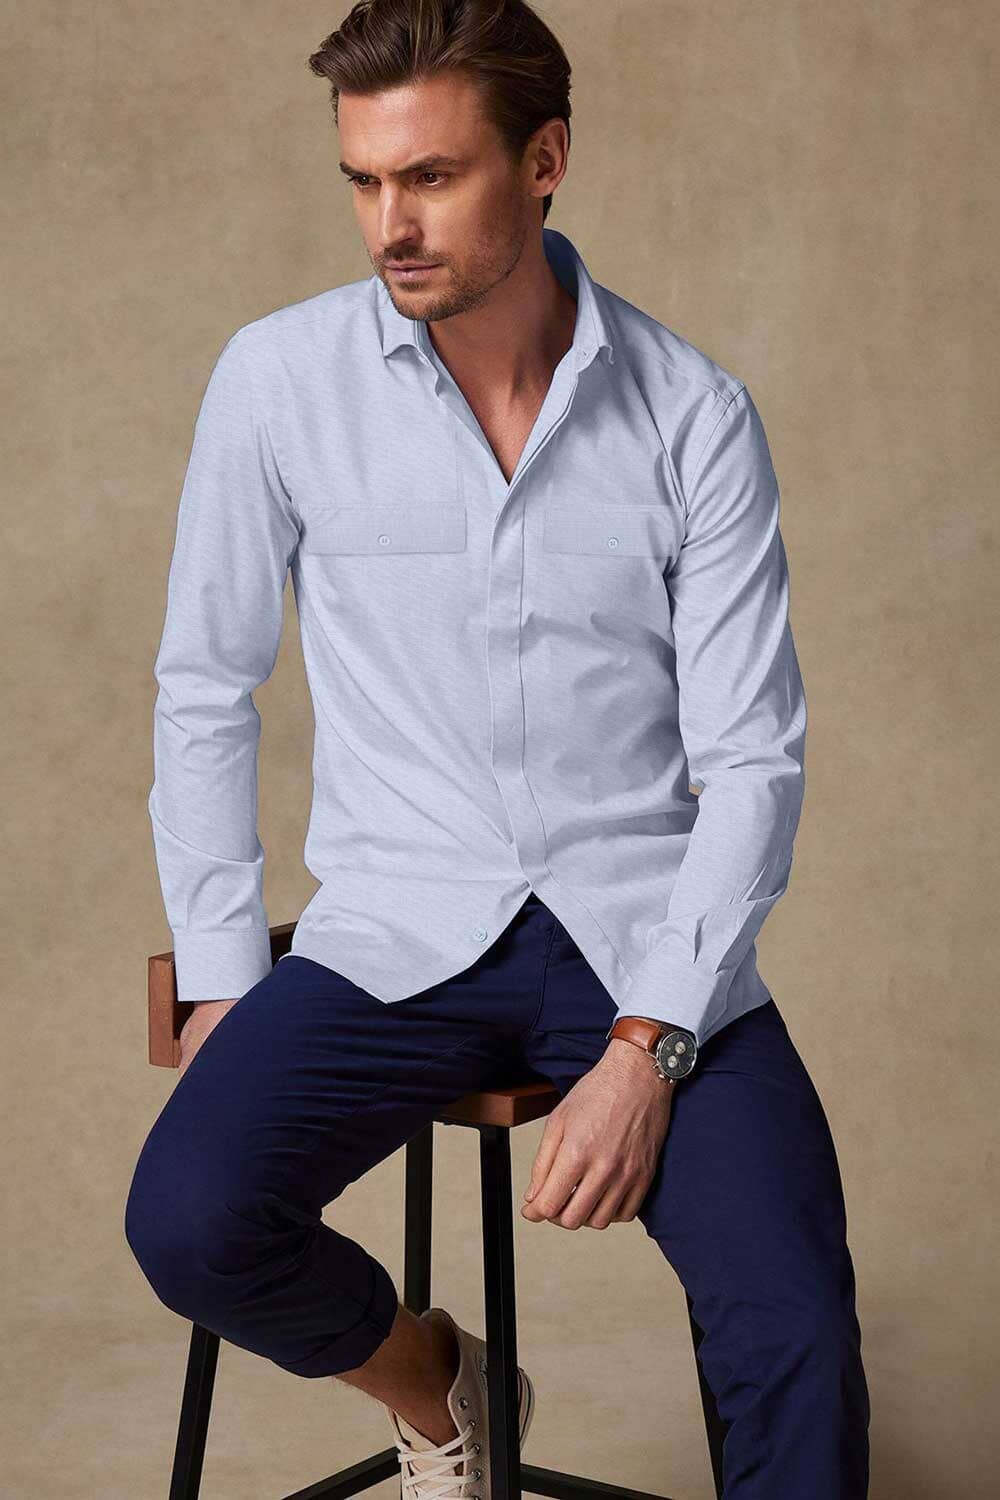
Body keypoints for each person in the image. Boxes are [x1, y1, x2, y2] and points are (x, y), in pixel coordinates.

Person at [124, 2, 871, 1494]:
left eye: (431, 177)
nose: (389, 225)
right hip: (393, 936)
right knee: (192, 1217)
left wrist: (650, 1048)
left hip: (642, 938)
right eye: (363, 180)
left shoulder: (694, 416)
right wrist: (219, 974)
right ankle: (440, 1387)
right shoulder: (279, 381)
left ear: (545, 161)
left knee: (793, 1322)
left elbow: (754, 764)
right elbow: (206, 686)